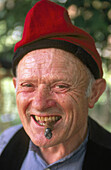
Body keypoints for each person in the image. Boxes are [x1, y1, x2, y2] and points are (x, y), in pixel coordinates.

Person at [0, 0, 111, 169]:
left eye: (60, 86)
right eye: (28, 85)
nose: (40, 104)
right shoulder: (5, 144)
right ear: (16, 86)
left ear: (94, 92)